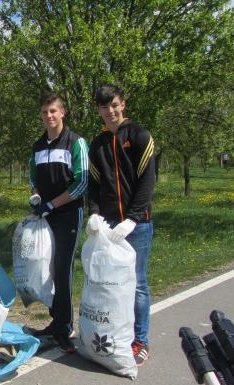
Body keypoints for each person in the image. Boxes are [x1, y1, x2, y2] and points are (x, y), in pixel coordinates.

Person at [88, 84, 156, 366]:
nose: (110, 111)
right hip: (108, 227)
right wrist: (93, 213)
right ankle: (115, 335)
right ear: (99, 110)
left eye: (114, 105)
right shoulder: (98, 144)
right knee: (110, 285)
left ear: (123, 104)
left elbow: (147, 181)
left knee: (137, 284)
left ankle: (140, 340)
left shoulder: (139, 136)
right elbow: (93, 184)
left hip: (136, 226)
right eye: (104, 107)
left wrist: (133, 217)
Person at [29, 91, 89, 353]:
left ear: (62, 112)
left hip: (68, 215)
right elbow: (34, 178)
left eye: (53, 111)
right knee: (48, 269)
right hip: (46, 215)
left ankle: (65, 326)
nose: (49, 116)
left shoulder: (75, 143)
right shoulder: (38, 146)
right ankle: (56, 321)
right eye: (45, 112)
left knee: (63, 270)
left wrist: (52, 205)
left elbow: (82, 183)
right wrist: (36, 198)